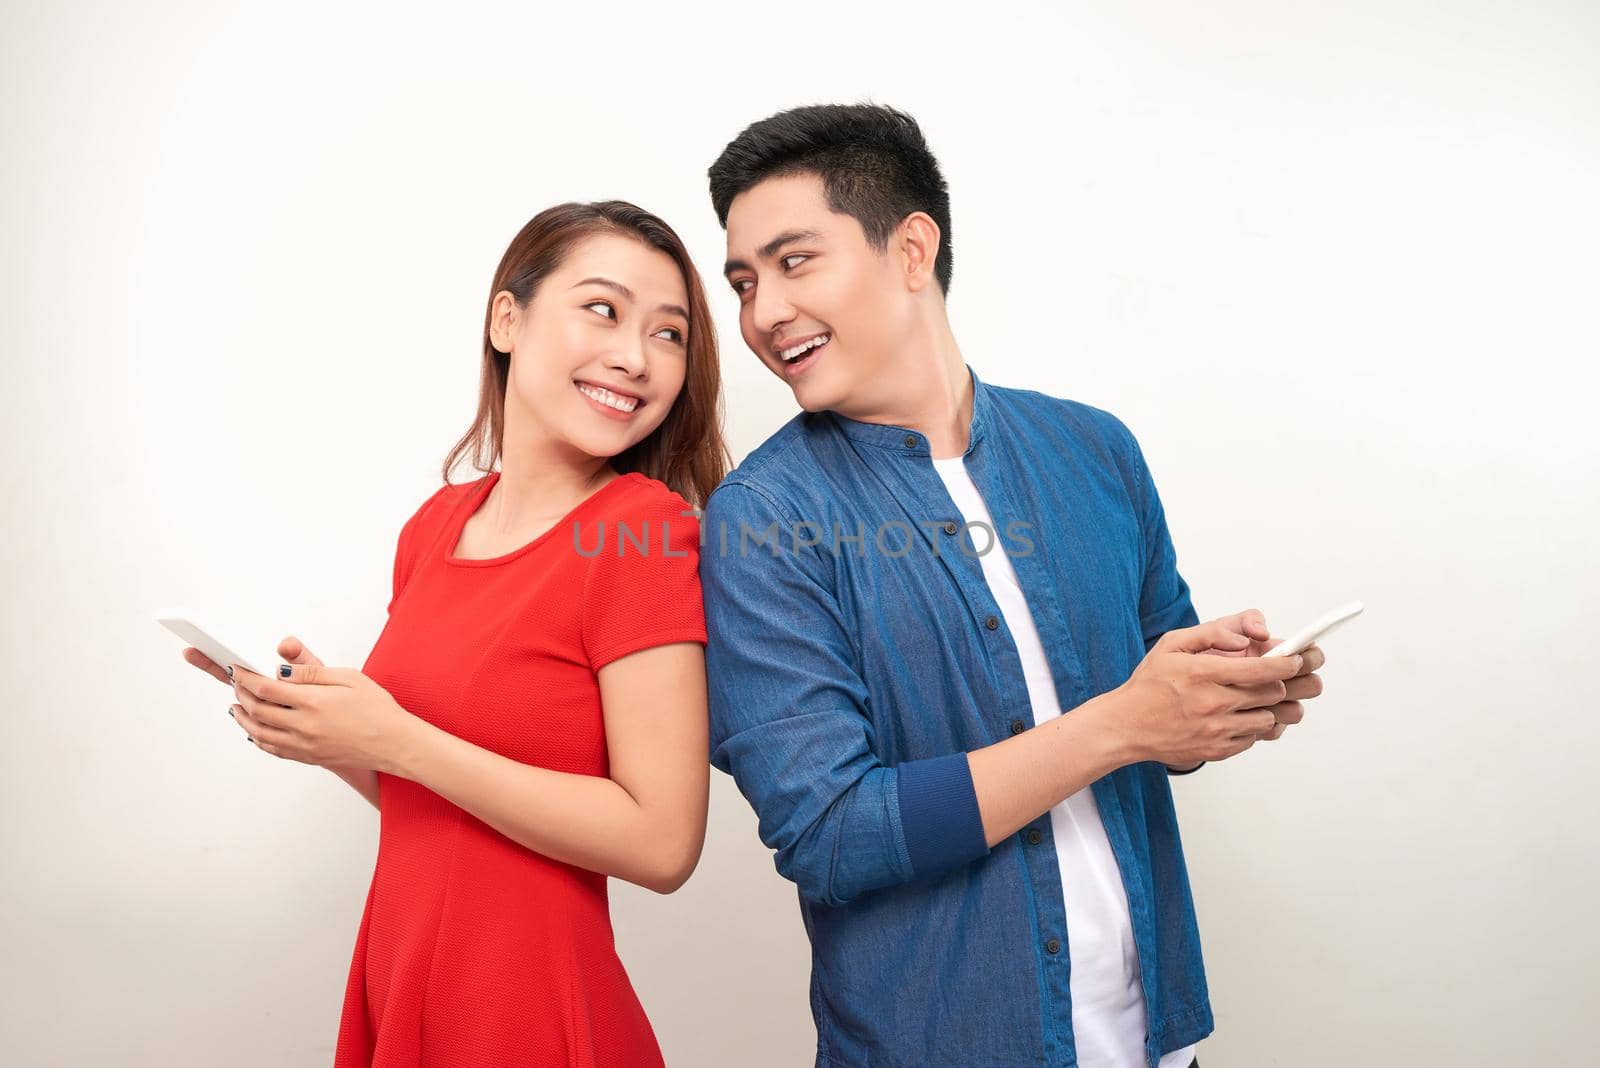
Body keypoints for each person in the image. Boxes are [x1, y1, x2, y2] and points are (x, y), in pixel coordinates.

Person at [699, 104, 1327, 1068]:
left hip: (1154, 1042)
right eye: (744, 282)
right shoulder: (762, 519)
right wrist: (1124, 722)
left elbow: (1167, 734)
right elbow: (830, 833)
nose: (762, 312)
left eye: (794, 262)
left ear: (912, 249)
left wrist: (1222, 700)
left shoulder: (1095, 450)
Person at [181, 200, 728, 1066]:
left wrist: (395, 738)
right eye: (603, 309)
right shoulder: (434, 526)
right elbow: (435, 803)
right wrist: (329, 735)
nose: (636, 356)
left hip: (526, 1006)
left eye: (670, 334)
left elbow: (662, 842)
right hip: (406, 973)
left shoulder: (641, 534)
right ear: (505, 319)